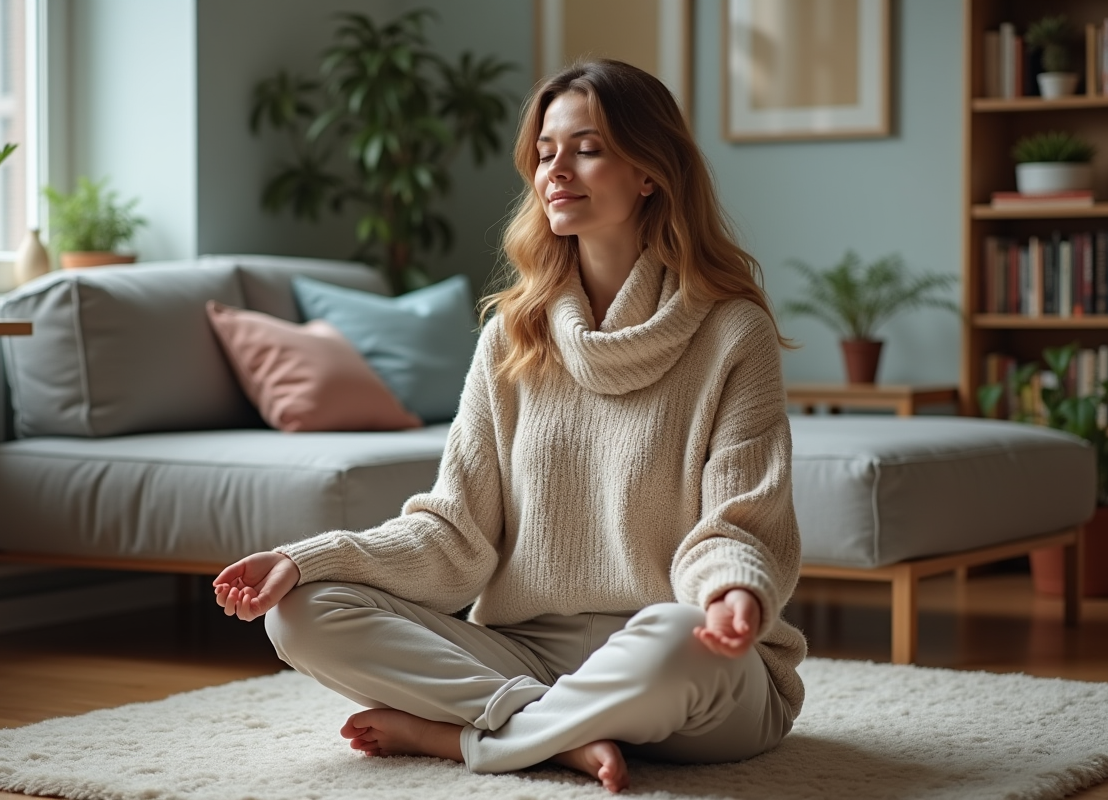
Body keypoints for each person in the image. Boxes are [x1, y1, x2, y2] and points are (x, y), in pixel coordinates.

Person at [214, 59, 805, 795]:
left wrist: (733, 595)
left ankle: (473, 738)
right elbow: (455, 532)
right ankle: (553, 734)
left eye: (587, 148)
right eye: (546, 152)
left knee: (676, 639)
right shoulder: (512, 338)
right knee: (297, 616)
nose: (557, 169)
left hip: (687, 662)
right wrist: (305, 561)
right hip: (522, 653)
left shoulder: (730, 332)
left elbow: (739, 518)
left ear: (649, 172)